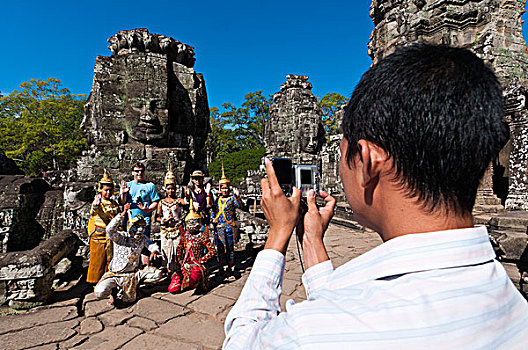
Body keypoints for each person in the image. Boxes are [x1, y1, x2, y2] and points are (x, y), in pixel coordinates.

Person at [224, 44, 528, 348]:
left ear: (368, 162)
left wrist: (278, 234)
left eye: (344, 154)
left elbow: (243, 341)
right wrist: (311, 239)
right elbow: (342, 307)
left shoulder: (310, 334)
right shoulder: (514, 305)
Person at [93, 204, 162, 305]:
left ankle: (136, 286)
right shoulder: (120, 237)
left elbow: (151, 245)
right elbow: (109, 230)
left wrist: (155, 251)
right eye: (137, 227)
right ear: (131, 227)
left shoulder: (142, 238)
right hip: (116, 274)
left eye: (142, 227)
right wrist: (122, 214)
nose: (140, 230)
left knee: (157, 274)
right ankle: (114, 291)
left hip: (133, 274)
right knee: (100, 292)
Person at [168, 200, 216, 293]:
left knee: (192, 280)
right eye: (189, 223)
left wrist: (203, 259)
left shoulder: (202, 236)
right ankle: (186, 283)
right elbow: (179, 248)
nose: (192, 225)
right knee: (173, 288)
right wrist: (179, 261)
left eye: (194, 222)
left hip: (198, 265)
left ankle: (192, 283)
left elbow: (212, 250)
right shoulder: (185, 236)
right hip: (186, 265)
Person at [119, 162, 160, 265]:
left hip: (144, 220)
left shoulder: (150, 186)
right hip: (129, 221)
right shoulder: (128, 185)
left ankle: (145, 267)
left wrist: (148, 209)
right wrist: (123, 194)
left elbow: (155, 202)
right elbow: (122, 202)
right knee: (128, 245)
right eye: (137, 171)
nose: (139, 173)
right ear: (133, 172)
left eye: (141, 171)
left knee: (144, 245)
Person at [86, 169, 120, 284]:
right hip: (98, 236)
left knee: (110, 260)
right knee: (97, 260)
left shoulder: (114, 204)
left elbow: (118, 217)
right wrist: (96, 205)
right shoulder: (97, 202)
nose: (108, 193)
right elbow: (93, 212)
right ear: (101, 190)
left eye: (110, 190)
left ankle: (107, 282)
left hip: (110, 236)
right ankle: (94, 283)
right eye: (106, 190)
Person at [212, 165, 242, 277]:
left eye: (226, 188)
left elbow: (239, 206)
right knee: (219, 249)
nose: (224, 190)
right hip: (219, 227)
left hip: (229, 226)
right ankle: (220, 267)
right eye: (222, 188)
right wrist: (213, 219)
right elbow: (213, 210)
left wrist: (237, 196)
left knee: (230, 248)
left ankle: (230, 267)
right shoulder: (217, 200)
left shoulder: (232, 198)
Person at [157, 165, 186, 274]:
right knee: (166, 253)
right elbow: (157, 217)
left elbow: (186, 202)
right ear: (165, 189)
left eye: (172, 188)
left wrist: (187, 197)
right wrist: (163, 220)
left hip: (176, 230)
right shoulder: (161, 202)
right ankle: (169, 272)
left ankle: (177, 273)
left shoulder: (178, 200)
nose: (171, 191)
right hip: (165, 230)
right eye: (168, 188)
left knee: (177, 252)